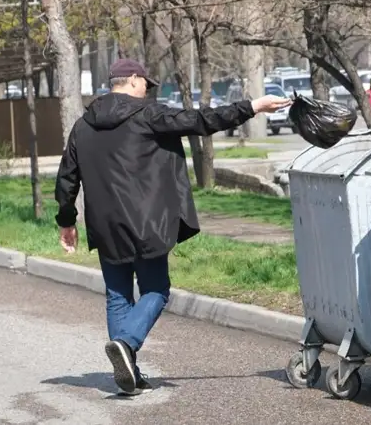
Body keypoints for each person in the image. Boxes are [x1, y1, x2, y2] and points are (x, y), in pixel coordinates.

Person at [54, 59, 291, 394]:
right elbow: (202, 120)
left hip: (105, 224)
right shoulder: (148, 114)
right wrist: (252, 106)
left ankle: (128, 374)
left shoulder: (83, 125)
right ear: (133, 79)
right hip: (147, 221)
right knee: (155, 289)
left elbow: (66, 179)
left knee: (117, 295)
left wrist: (66, 222)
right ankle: (126, 342)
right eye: (146, 84)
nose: (147, 90)